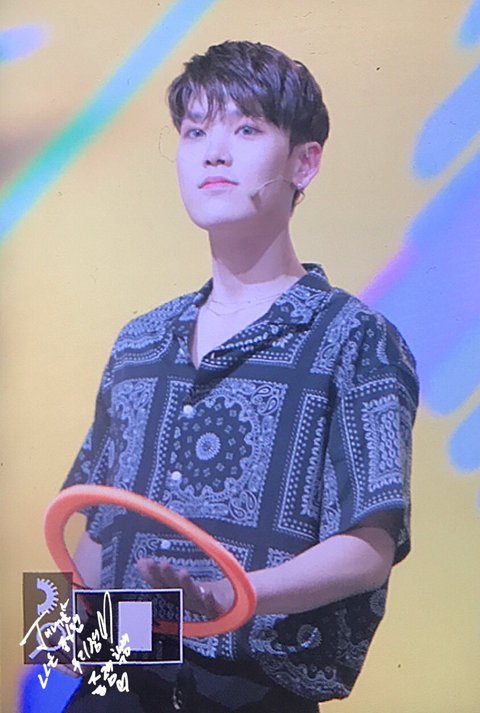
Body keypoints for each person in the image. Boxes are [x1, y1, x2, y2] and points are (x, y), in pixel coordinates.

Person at [60, 40, 418, 712]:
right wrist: (79, 645)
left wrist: (232, 593)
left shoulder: (354, 338)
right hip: (118, 677)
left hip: (252, 691)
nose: (213, 153)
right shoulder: (140, 340)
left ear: (305, 162)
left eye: (247, 129)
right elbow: (97, 522)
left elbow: (368, 546)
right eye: (195, 132)